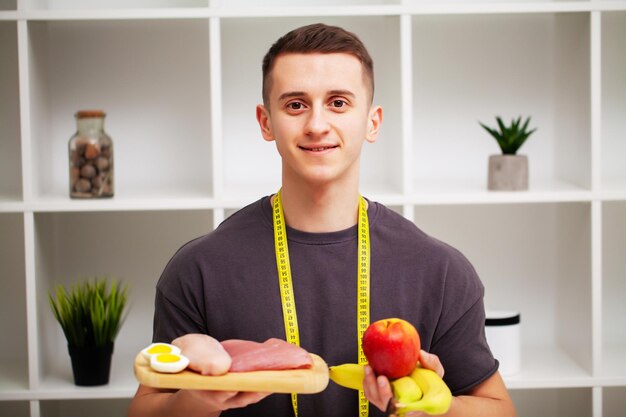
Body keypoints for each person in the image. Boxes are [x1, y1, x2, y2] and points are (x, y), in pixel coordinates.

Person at [127, 23, 516, 417]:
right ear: (265, 122)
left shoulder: (440, 270)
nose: (316, 124)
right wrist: (196, 400)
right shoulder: (198, 269)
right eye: (295, 104)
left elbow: (501, 410)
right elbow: (145, 409)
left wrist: (431, 410)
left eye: (339, 103)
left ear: (372, 122)